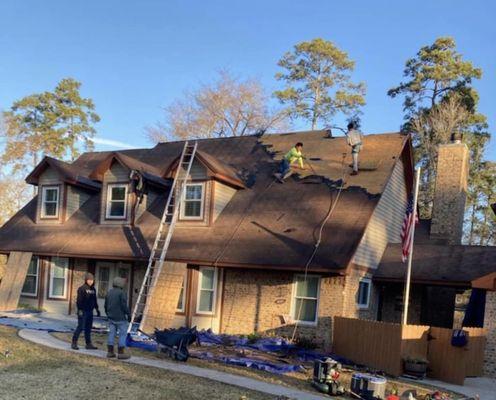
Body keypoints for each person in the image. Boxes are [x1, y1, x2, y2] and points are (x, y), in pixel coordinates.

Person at [72, 272, 100, 350]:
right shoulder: (82, 288)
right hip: (83, 311)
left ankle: (88, 344)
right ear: (86, 280)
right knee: (80, 327)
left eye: (92, 280)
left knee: (88, 328)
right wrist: (79, 310)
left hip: (90, 311)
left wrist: (97, 309)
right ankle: (74, 343)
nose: (91, 281)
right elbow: (79, 301)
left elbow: (94, 300)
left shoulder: (93, 289)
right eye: (89, 280)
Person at [105, 276, 131, 360]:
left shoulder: (109, 292)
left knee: (111, 334)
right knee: (122, 334)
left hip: (111, 317)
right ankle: (121, 353)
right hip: (120, 318)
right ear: (120, 284)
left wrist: (108, 314)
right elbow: (124, 305)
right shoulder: (122, 293)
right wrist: (128, 314)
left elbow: (105, 305)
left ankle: (110, 352)